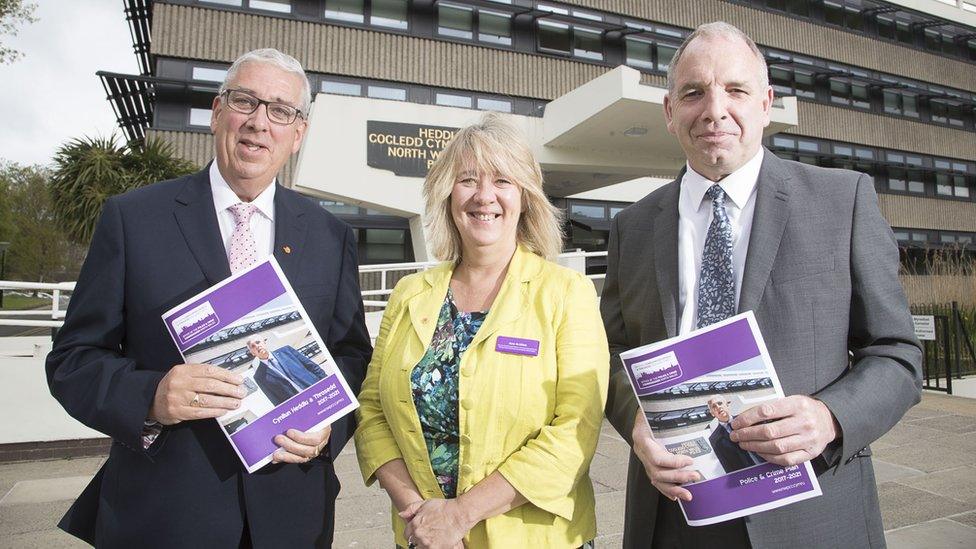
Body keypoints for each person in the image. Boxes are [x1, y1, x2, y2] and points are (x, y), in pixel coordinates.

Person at [601, 22, 922, 548]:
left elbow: (897, 355)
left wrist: (829, 417)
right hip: (676, 514)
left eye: (736, 90)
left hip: (810, 514)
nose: (714, 109)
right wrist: (635, 421)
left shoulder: (843, 202)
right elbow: (610, 352)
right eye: (693, 92)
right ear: (668, 111)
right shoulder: (632, 227)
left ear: (766, 103)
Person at [46, 48, 371, 548]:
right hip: (165, 515)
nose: (260, 122)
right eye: (246, 101)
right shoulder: (134, 220)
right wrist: (152, 396)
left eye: (280, 110)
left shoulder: (331, 236)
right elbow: (73, 360)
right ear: (218, 112)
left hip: (292, 516)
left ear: (298, 133)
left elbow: (351, 354)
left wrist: (328, 425)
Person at [354, 113, 609, 549]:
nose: (484, 196)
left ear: (525, 197)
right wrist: (422, 515)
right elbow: (372, 410)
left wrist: (460, 516)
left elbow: (576, 429)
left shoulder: (567, 293)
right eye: (468, 180)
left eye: (503, 181)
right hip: (423, 536)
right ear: (448, 195)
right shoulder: (409, 294)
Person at [247, 337, 327, 406]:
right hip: (300, 406)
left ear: (264, 342)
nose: (257, 346)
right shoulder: (259, 376)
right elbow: (275, 400)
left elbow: (312, 367)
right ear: (252, 353)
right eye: (253, 346)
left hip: (320, 391)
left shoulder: (286, 351)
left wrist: (327, 382)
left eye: (258, 342)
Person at [705, 395, 763, 474]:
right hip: (747, 476)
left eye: (720, 403)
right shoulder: (714, 439)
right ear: (712, 413)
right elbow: (727, 465)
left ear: (727, 405)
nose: (718, 407)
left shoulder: (745, 419)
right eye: (714, 406)